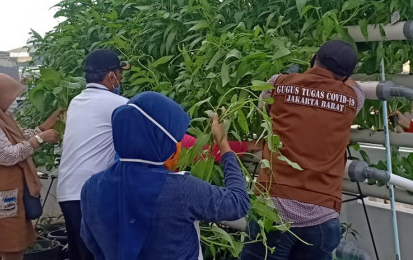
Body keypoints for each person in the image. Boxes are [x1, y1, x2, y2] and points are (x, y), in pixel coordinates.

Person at [80, 91, 251, 260]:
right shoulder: (180, 189)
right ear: (160, 140)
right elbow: (238, 203)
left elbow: (90, 241)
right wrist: (224, 146)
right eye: (176, 139)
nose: (179, 145)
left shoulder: (92, 187)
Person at [241, 40, 365, 260]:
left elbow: (263, 113)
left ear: (313, 59)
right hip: (321, 218)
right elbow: (352, 85)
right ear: (345, 76)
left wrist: (297, 81)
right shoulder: (352, 97)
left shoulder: (277, 84)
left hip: (273, 210)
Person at [0, 71, 60, 260]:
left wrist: (43, 128)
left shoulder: (0, 119)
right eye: (10, 97)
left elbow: (16, 139)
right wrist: (39, 139)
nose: (14, 102)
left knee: (14, 248)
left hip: (7, 197)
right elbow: (7, 155)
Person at [57, 49, 130, 260]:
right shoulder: (119, 104)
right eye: (120, 73)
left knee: (80, 254)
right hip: (90, 194)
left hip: (67, 191)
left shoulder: (76, 102)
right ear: (111, 76)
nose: (121, 79)